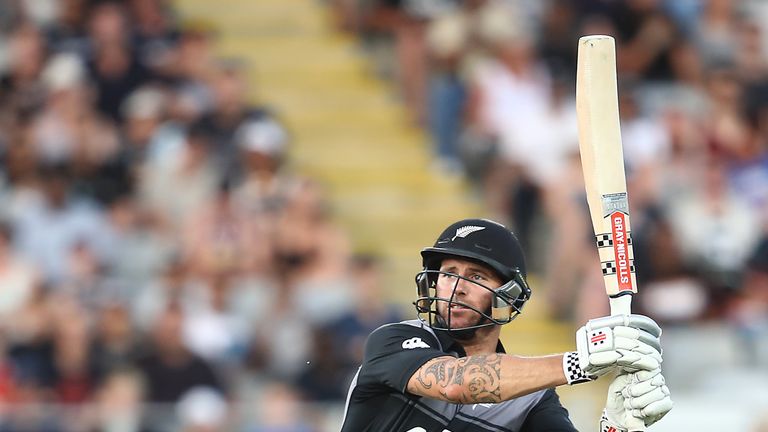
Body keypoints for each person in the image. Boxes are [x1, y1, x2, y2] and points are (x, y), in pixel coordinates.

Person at [340, 218, 672, 431]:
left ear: (509, 297)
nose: (457, 288)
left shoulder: (531, 399)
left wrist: (615, 428)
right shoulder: (394, 340)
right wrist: (580, 363)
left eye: (476, 277)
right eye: (448, 274)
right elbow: (455, 383)